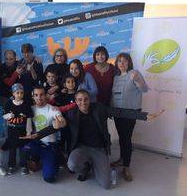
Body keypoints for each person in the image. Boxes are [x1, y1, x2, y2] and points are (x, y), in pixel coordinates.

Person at [25, 89, 163, 189]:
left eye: (85, 99)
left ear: (89, 100)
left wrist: (144, 116)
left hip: (99, 148)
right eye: (79, 100)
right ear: (76, 101)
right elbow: (57, 125)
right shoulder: (72, 114)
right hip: (82, 148)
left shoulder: (99, 109)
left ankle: (99, 166)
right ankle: (85, 167)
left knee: (106, 185)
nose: (83, 102)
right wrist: (38, 135)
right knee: (72, 165)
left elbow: (120, 112)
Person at [110, 52, 149, 181]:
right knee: (122, 137)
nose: (122, 63)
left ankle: (126, 166)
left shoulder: (134, 73)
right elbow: (114, 95)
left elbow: (144, 89)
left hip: (130, 113)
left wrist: (138, 80)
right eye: (119, 61)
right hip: (118, 113)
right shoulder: (115, 77)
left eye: (125, 61)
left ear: (129, 63)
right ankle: (122, 159)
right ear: (116, 63)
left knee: (126, 138)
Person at [21, 85, 67, 183]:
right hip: (36, 143)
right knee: (23, 147)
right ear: (33, 96)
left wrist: (61, 122)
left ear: (45, 95)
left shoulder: (52, 109)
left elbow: (62, 120)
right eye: (36, 95)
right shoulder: (31, 109)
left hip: (50, 145)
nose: (39, 97)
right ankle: (36, 159)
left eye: (41, 94)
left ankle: (57, 157)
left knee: (49, 178)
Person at [1, 83, 33, 175]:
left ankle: (24, 165)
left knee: (23, 149)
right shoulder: (8, 103)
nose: (19, 95)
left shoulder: (26, 105)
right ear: (13, 94)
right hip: (12, 130)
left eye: (21, 93)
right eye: (17, 93)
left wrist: (28, 131)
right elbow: (3, 116)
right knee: (12, 149)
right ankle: (11, 165)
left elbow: (29, 119)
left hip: (22, 130)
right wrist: (8, 115)